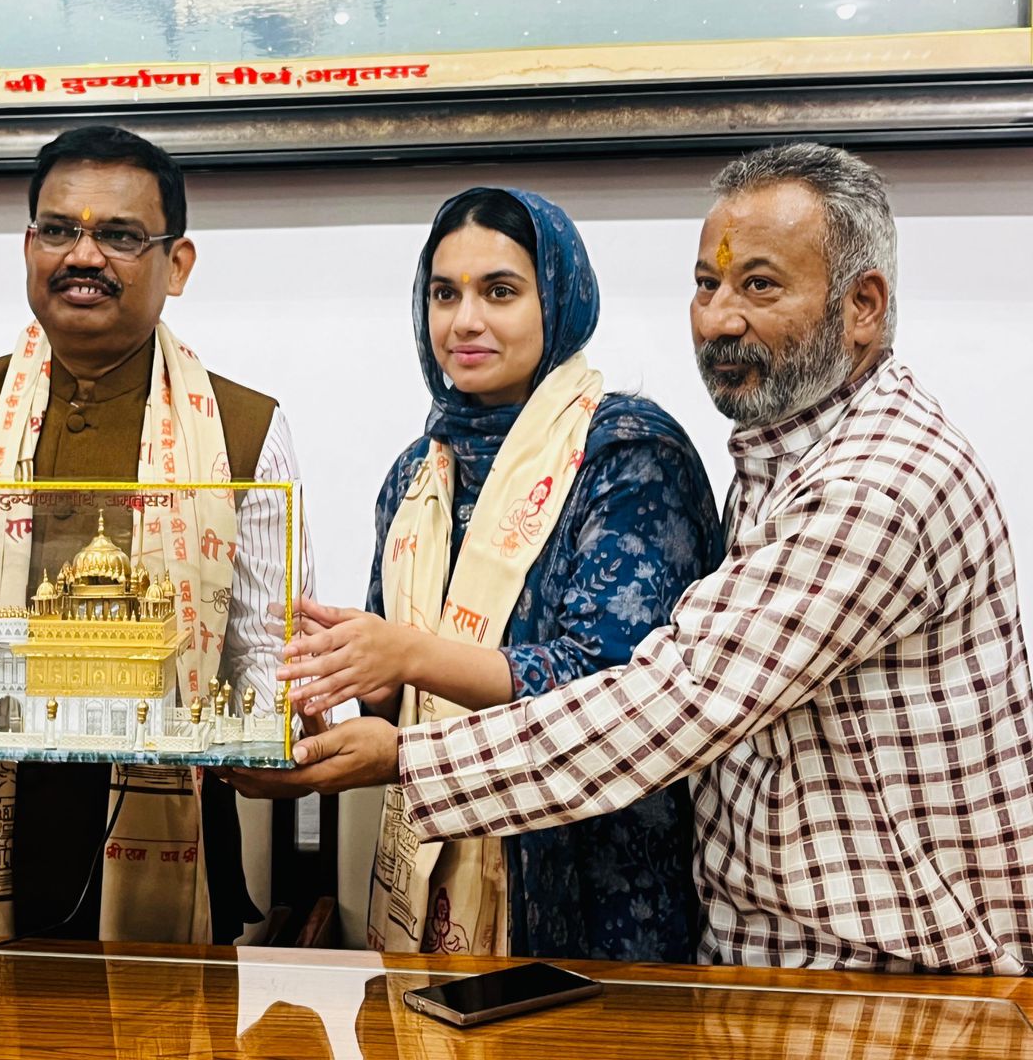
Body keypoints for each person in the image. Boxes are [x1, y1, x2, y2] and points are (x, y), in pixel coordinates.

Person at [270, 143, 1033, 974]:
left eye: (759, 285)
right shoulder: (779, 461)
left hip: (887, 979)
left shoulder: (867, 484)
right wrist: (357, 694)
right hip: (770, 955)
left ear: (863, 307)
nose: (719, 318)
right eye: (707, 284)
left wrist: (408, 753)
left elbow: (667, 698)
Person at [227, 188, 719, 961]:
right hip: (429, 872)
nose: (465, 322)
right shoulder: (418, 475)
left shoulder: (626, 455)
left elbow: (618, 690)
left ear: (559, 298)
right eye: (443, 294)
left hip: (590, 888)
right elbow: (388, 699)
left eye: (500, 292)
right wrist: (308, 694)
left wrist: (410, 655)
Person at [0, 125, 307, 944]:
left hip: (176, 850)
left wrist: (260, 730)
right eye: (58, 231)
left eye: (119, 236)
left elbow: (270, 645)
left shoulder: (244, 426)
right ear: (27, 247)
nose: (83, 256)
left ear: (177, 264)